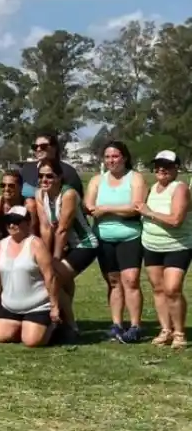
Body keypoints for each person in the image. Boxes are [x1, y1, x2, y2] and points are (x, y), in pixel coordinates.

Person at [85, 141, 147, 343]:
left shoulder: (135, 178)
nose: (112, 160)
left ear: (125, 157)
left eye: (116, 156)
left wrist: (107, 210)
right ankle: (117, 325)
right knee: (113, 282)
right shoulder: (96, 180)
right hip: (104, 238)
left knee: (131, 280)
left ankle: (136, 326)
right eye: (108, 157)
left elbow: (136, 207)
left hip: (130, 237)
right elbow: (89, 206)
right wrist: (117, 209)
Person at [139, 150, 192, 349]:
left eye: (167, 165)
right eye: (158, 165)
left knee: (172, 289)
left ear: (176, 168)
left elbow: (176, 220)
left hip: (177, 246)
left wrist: (149, 212)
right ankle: (165, 330)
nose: (162, 169)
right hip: (152, 245)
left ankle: (179, 332)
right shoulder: (152, 188)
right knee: (159, 289)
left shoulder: (179, 189)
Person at [37, 157, 94, 335]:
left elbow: (62, 230)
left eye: (50, 176)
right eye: (41, 176)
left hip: (84, 245)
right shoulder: (40, 194)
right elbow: (45, 227)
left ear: (60, 177)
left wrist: (54, 259)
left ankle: (70, 326)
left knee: (54, 279)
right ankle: (64, 321)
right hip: (65, 245)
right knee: (59, 280)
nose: (44, 180)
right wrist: (45, 256)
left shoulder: (68, 194)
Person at [0, 206, 60, 347]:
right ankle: (24, 326)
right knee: (0, 336)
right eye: (8, 221)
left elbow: (50, 277)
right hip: (9, 305)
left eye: (17, 221)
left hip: (37, 305)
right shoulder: (0, 246)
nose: (11, 225)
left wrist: (54, 306)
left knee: (32, 341)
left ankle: (53, 326)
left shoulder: (36, 244)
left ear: (28, 223)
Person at [19, 132, 84, 198]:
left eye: (43, 146)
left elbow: (76, 199)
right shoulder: (27, 169)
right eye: (35, 147)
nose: (38, 149)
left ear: (54, 148)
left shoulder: (68, 172)